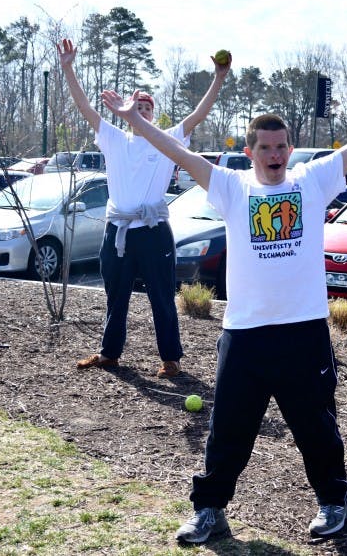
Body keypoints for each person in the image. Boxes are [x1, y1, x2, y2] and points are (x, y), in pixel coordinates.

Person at [101, 61, 347, 543]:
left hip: (303, 331)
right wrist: (136, 120)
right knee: (227, 427)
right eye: (265, 147)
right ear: (250, 151)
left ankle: (335, 500)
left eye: (281, 147)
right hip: (244, 332)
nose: (274, 155)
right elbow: (175, 149)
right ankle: (210, 509)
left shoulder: (312, 180)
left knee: (314, 425)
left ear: (289, 150)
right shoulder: (232, 187)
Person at [57, 38, 231, 378]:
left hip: (153, 232)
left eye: (149, 106)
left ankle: (171, 360)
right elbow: (84, 108)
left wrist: (219, 78)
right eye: (138, 104)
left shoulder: (168, 140)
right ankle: (109, 353)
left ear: (154, 116)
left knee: (162, 298)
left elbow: (198, 115)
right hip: (118, 231)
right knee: (115, 296)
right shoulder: (113, 138)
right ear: (127, 110)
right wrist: (68, 68)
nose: (144, 109)